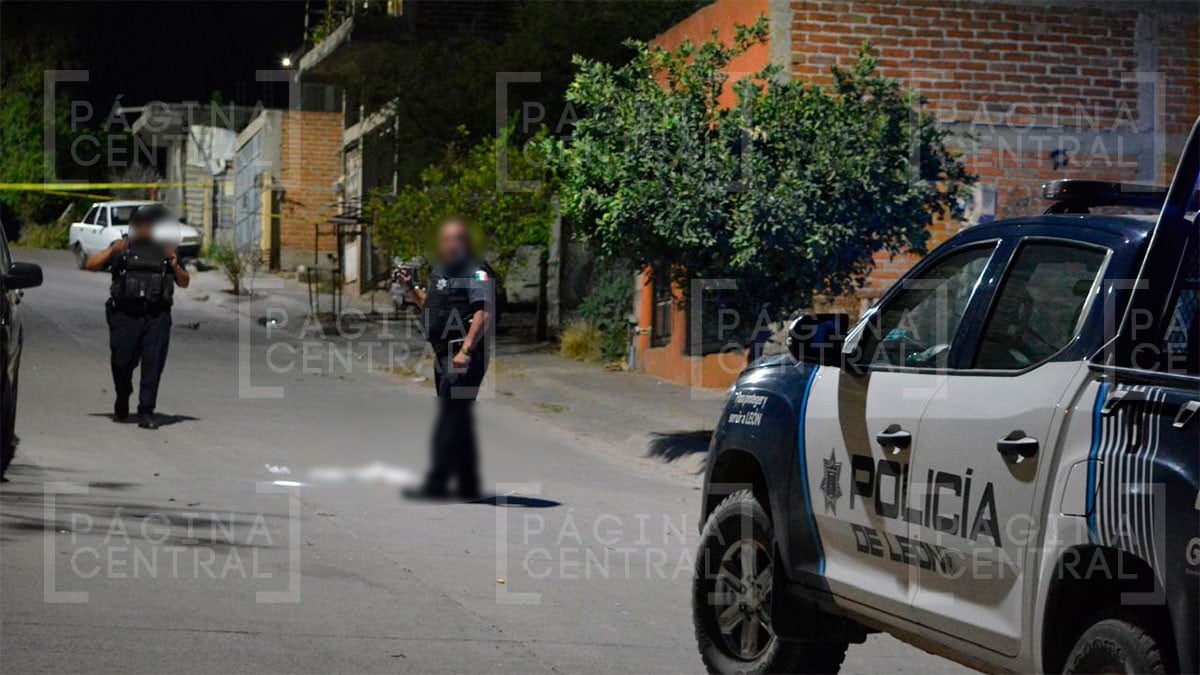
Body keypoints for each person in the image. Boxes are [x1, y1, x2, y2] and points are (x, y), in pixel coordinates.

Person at [396, 218, 495, 501]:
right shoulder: (441, 270)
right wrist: (409, 289)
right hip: (444, 354)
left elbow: (484, 311)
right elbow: (432, 304)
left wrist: (466, 350)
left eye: (456, 239)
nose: (450, 244)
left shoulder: (476, 271)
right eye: (446, 239)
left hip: (464, 354)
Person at [85, 204, 189, 429]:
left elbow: (184, 281)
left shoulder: (165, 250)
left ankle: (146, 411)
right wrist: (111, 252)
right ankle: (123, 395)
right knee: (121, 363)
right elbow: (91, 264)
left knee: (153, 365)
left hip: (156, 316)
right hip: (125, 315)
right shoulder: (122, 248)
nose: (143, 230)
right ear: (133, 227)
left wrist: (174, 264)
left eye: (147, 226)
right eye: (139, 226)